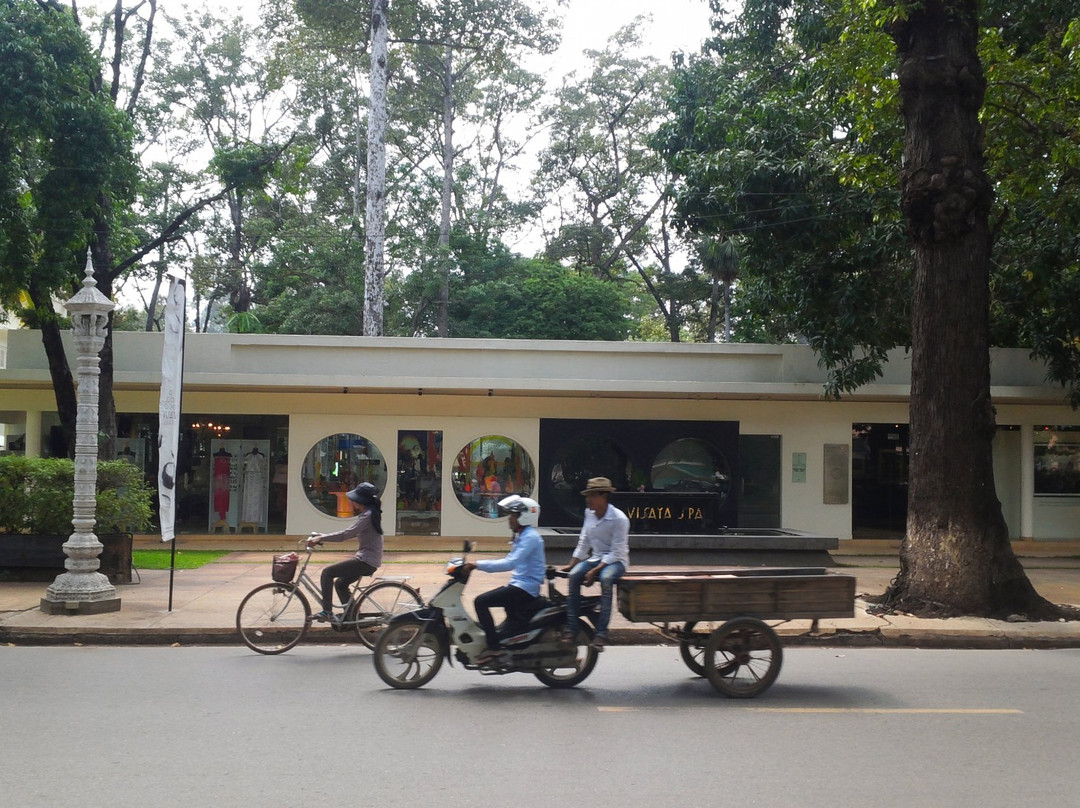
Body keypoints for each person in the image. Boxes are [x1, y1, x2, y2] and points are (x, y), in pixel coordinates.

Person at [461, 495, 546, 665]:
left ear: (523, 517)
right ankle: (499, 641)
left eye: (513, 516)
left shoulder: (530, 538)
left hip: (525, 588)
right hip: (520, 585)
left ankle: (494, 648)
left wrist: (477, 565)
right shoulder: (523, 536)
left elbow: (509, 563)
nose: (510, 519)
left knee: (481, 601)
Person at [562, 476, 630, 651]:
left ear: (604, 496)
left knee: (606, 579)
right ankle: (572, 628)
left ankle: (601, 633)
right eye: (587, 495)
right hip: (596, 558)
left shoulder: (619, 519)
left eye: (592, 495)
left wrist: (596, 571)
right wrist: (573, 563)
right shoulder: (589, 514)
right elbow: (584, 541)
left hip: (616, 561)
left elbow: (617, 551)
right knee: (574, 576)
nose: (588, 499)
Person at [307, 482, 384, 623]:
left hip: (366, 561)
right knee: (341, 584)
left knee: (327, 573)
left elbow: (345, 535)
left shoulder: (367, 516)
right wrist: (322, 535)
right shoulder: (369, 514)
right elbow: (349, 533)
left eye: (355, 500)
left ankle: (327, 612)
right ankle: (351, 617)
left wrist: (322, 537)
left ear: (361, 501)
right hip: (367, 559)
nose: (352, 502)